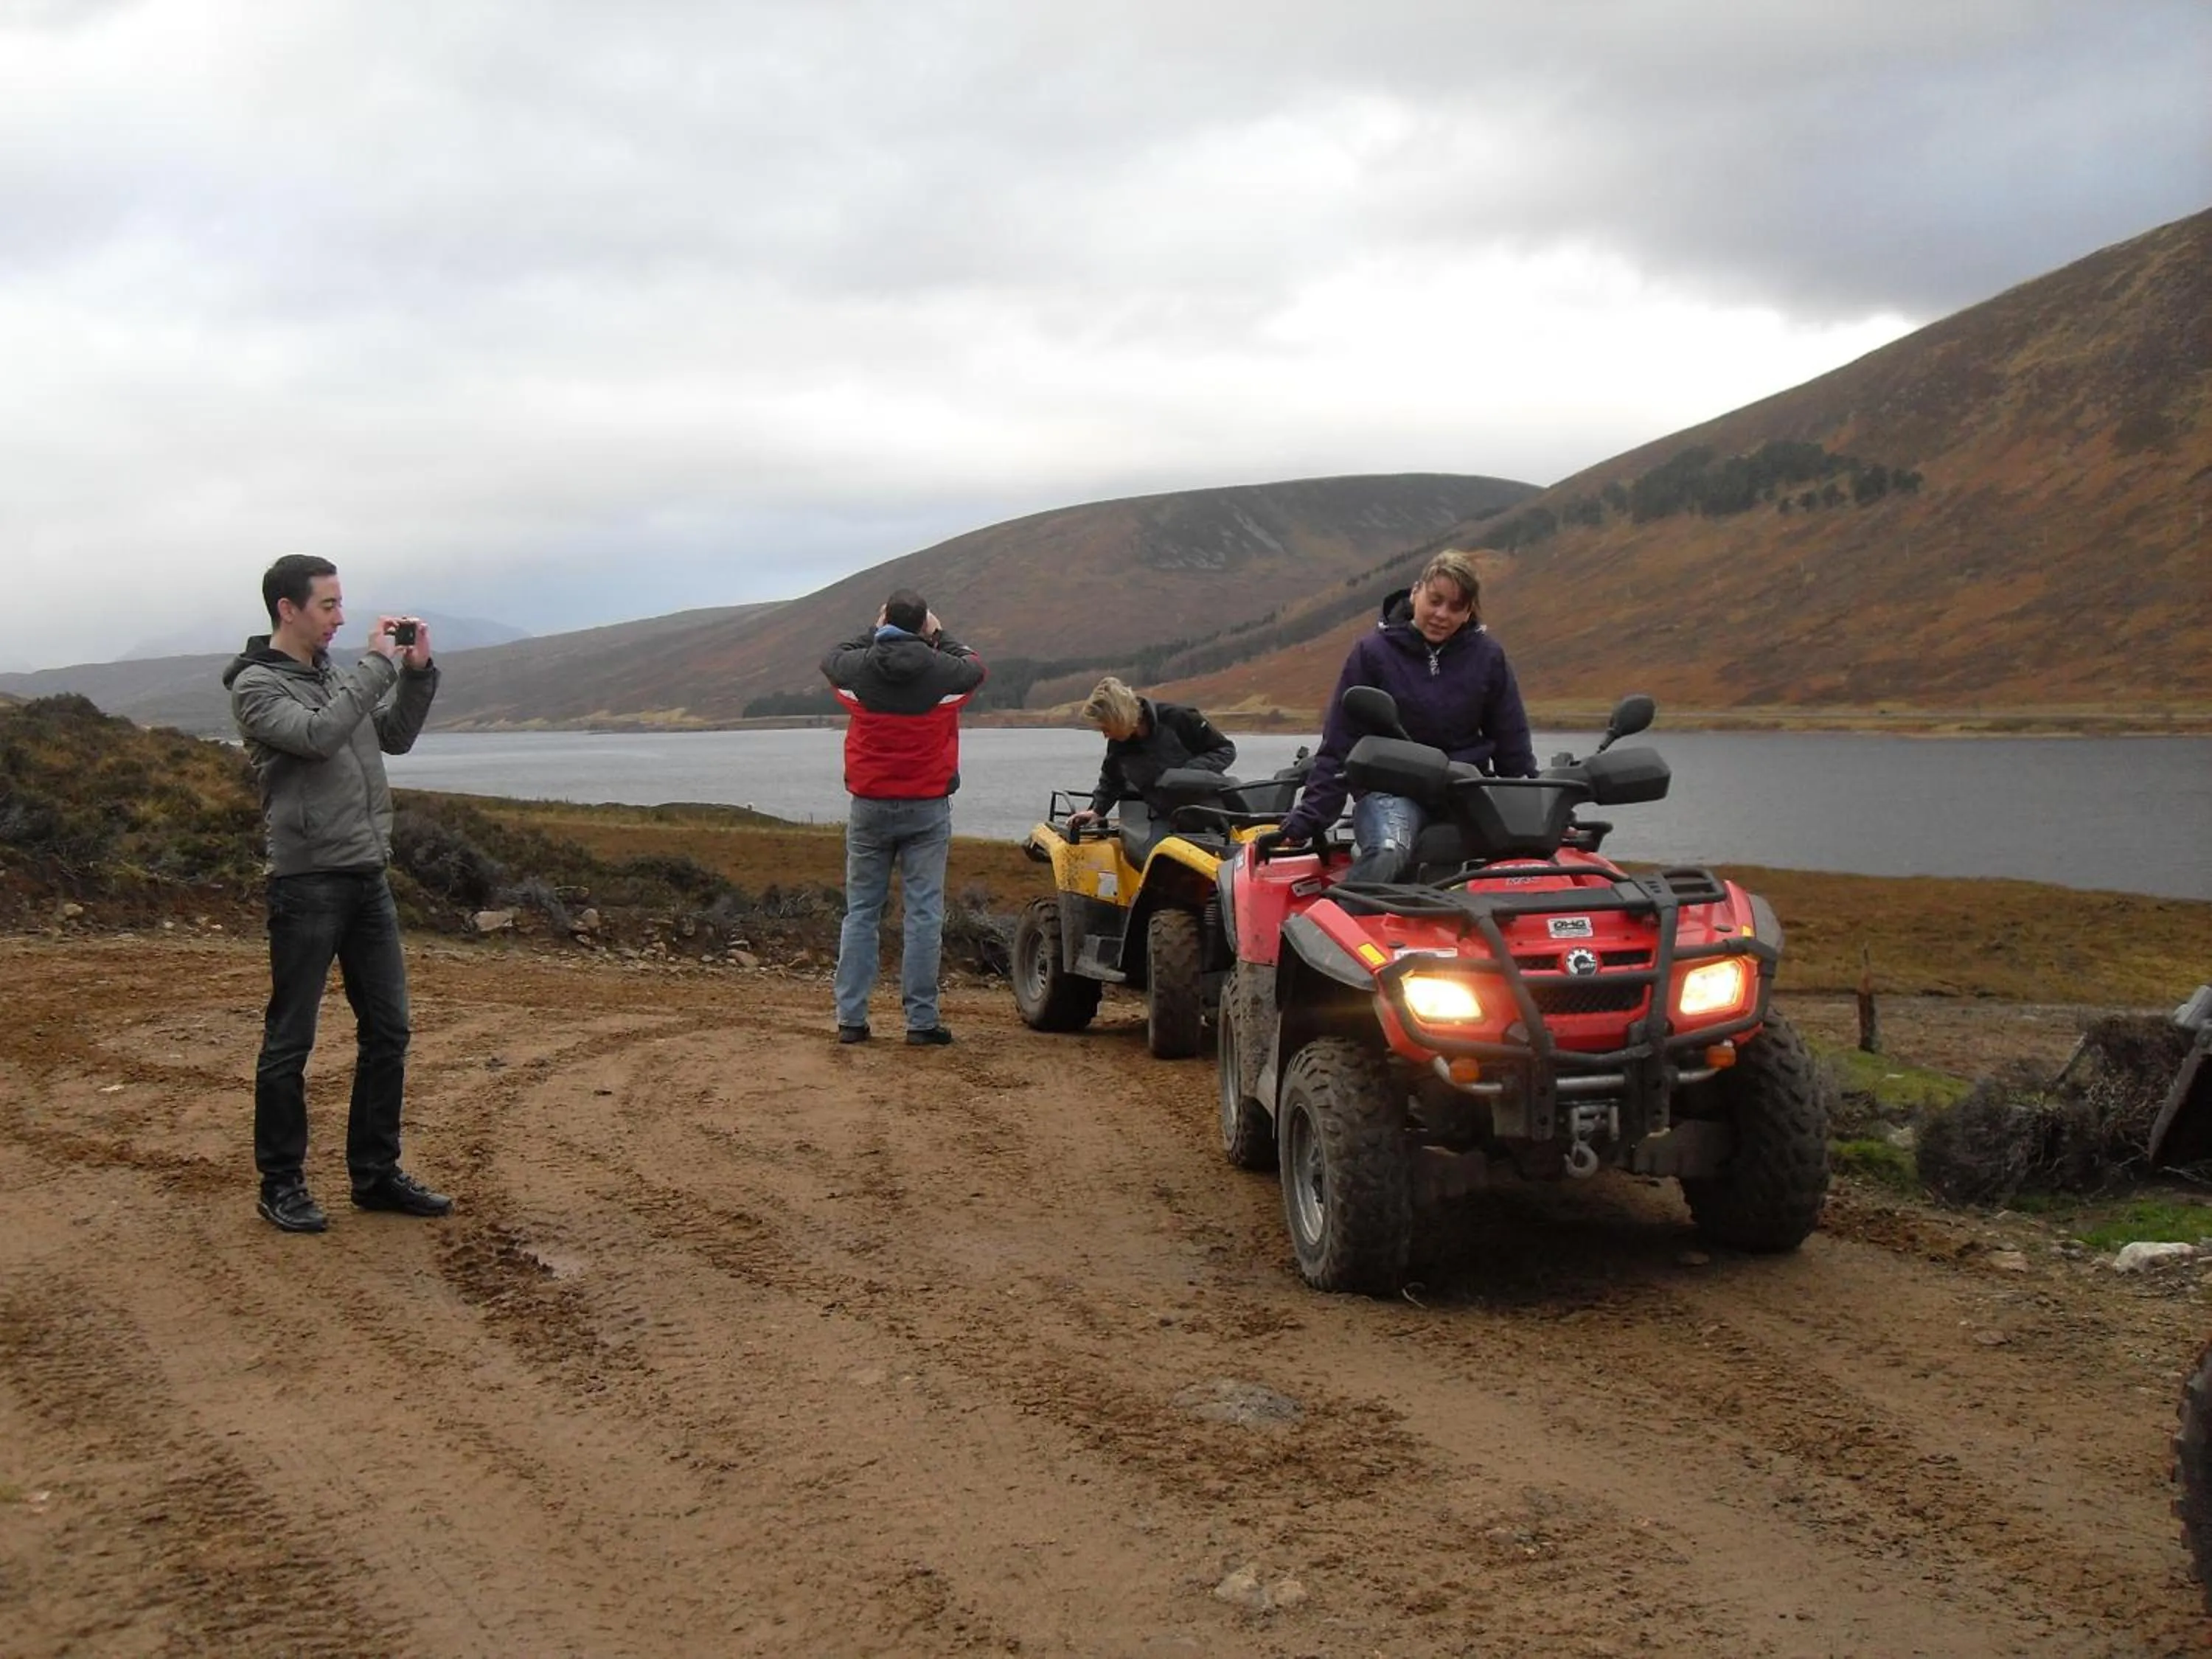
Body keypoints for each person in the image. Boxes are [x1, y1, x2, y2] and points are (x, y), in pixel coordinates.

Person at [222, 554, 450, 1234]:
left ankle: (375, 1175)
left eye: (343, 604)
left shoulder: (332, 680)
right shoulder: (258, 688)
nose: (341, 618)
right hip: (307, 881)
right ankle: (281, 1183)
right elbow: (318, 739)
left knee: (389, 1031)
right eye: (328, 606)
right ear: (287, 610)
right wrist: (375, 668)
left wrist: (414, 674)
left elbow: (395, 737)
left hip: (365, 875)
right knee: (291, 1038)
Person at [1273, 549, 1537, 883]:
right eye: (1435, 600)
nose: (1442, 614)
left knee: (1523, 857)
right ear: (1416, 592)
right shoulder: (1373, 653)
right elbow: (1340, 743)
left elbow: (1511, 741)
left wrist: (1534, 808)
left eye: (1456, 607)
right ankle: (1342, 917)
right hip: (1390, 792)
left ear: (1469, 611)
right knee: (1388, 851)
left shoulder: (1488, 657)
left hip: (1465, 791)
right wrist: (1308, 820)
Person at [822, 587, 987, 1046]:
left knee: (861, 914)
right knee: (924, 915)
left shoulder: (859, 669)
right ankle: (921, 1022)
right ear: (923, 625)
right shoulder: (943, 672)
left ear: (885, 620)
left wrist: (874, 632)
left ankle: (851, 1019)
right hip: (927, 807)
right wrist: (941, 634)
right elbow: (976, 668)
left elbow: (833, 658)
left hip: (870, 806)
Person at [1064, 676, 1236, 833]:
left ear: (1119, 717)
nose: (1105, 735)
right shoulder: (1119, 743)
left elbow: (1225, 750)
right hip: (1165, 819)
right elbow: (1111, 779)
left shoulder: (1178, 719)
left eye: (1106, 729)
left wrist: (1188, 773)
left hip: (1209, 812)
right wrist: (1097, 811)